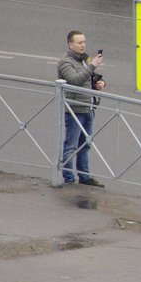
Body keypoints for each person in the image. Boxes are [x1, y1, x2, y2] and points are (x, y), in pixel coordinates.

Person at [58, 31, 105, 187]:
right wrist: (92, 66)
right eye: (79, 42)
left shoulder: (85, 59)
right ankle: (69, 179)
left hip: (88, 108)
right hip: (74, 109)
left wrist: (101, 83)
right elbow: (75, 80)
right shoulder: (65, 62)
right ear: (70, 44)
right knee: (71, 146)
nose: (83, 45)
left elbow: (94, 77)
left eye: (84, 41)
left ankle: (84, 177)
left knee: (85, 144)